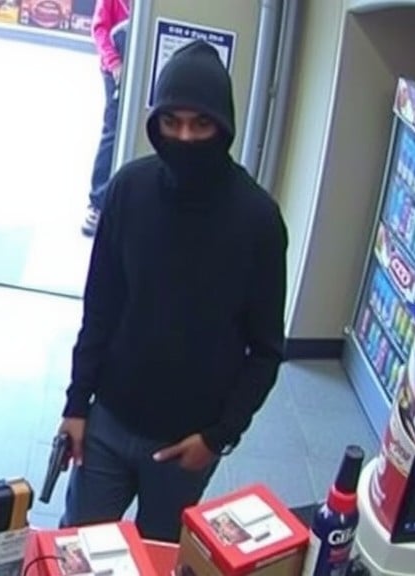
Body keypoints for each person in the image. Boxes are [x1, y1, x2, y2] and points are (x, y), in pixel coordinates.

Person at [58, 40, 288, 542]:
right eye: (172, 122)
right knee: (73, 548)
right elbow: (100, 307)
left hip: (188, 443)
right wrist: (77, 405)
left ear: (222, 127)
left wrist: (218, 437)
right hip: (108, 424)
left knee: (160, 557)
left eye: (200, 124)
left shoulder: (258, 221)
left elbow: (267, 350)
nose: (184, 136)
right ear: (155, 122)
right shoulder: (128, 190)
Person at [82, 0, 130, 237]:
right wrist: (115, 64)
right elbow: (99, 28)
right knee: (112, 130)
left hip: (143, 62)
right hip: (114, 67)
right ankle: (97, 203)